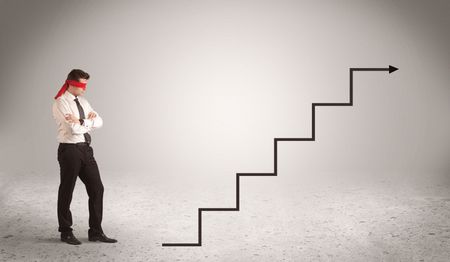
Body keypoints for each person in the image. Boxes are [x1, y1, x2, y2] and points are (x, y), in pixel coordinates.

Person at [52, 69, 117, 245]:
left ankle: (95, 231)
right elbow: (73, 130)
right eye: (81, 85)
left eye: (85, 85)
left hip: (86, 150)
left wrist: (82, 122)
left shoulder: (83, 101)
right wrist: (89, 123)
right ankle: (65, 231)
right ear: (71, 83)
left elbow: (100, 122)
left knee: (97, 188)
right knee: (67, 189)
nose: (84, 89)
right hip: (69, 150)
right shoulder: (61, 102)